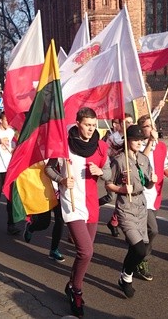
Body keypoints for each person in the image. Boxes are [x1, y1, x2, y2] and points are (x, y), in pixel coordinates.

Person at [45, 107, 111, 317]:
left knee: (85, 253)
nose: (91, 129)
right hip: (71, 202)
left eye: (94, 125)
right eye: (87, 125)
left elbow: (109, 172)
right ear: (78, 123)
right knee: (86, 251)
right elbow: (49, 168)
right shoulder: (63, 144)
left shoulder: (101, 146)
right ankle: (77, 290)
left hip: (91, 204)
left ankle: (72, 284)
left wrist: (101, 171)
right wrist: (61, 180)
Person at [105, 124, 157, 298]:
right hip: (126, 207)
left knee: (136, 249)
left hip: (141, 204)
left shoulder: (144, 159)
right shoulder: (119, 160)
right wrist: (120, 189)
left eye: (141, 140)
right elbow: (108, 183)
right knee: (140, 250)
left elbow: (147, 182)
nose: (139, 143)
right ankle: (127, 276)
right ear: (127, 141)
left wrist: (152, 182)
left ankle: (125, 277)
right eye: (135, 140)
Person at [134, 114, 168, 281]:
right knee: (153, 230)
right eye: (147, 126)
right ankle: (142, 260)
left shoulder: (161, 147)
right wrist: (149, 143)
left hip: (155, 195)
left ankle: (137, 255)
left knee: (146, 232)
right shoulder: (138, 146)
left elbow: (165, 167)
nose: (151, 128)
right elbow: (141, 161)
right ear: (142, 130)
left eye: (152, 125)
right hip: (140, 195)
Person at [0, 112, 21, 235]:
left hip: (9, 168)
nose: (8, 123)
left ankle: (11, 225)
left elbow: (16, 146)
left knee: (10, 197)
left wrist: (14, 150)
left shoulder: (11, 132)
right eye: (6, 120)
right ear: (1, 120)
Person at [103, 113, 134, 237]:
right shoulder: (113, 138)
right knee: (110, 197)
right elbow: (107, 154)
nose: (130, 125)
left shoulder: (132, 137)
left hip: (126, 171)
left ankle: (114, 222)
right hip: (113, 170)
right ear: (119, 124)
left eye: (131, 122)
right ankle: (92, 206)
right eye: (127, 122)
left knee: (125, 198)